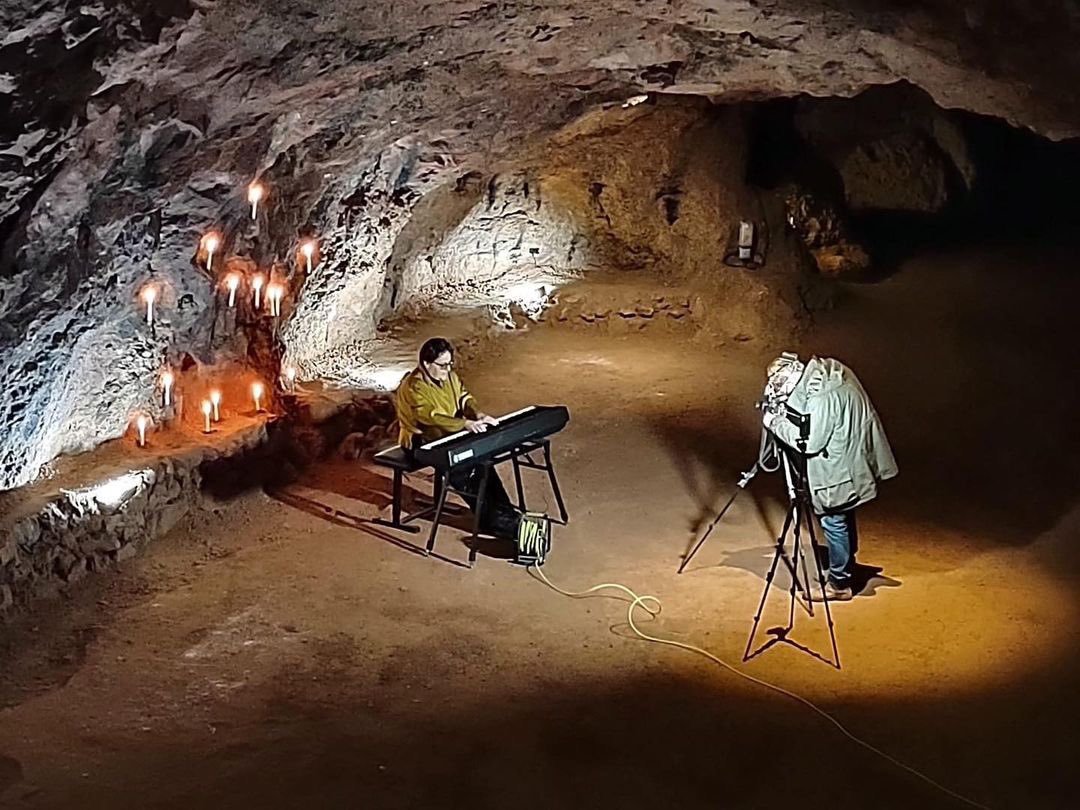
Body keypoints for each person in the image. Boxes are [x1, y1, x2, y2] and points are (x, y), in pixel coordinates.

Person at [761, 353, 898, 600]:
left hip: (837, 465)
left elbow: (811, 443)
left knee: (833, 519)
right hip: (850, 454)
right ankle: (845, 566)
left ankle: (839, 584)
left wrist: (776, 423)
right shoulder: (828, 374)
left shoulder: (821, 397)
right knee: (843, 513)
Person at [394, 337, 520, 538]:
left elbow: (463, 397)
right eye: (443, 365)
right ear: (426, 364)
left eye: (449, 364)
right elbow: (429, 416)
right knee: (463, 469)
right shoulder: (414, 386)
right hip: (422, 441)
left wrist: (476, 414)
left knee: (483, 462)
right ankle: (493, 521)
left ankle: (506, 514)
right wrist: (465, 425)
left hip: (451, 434)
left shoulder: (449, 377)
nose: (447, 369)